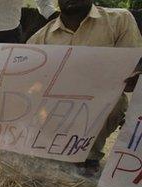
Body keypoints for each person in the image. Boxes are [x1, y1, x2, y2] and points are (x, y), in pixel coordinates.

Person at [27, 0, 142, 176]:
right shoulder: (42, 37)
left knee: (115, 103)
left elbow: (133, 64)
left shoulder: (119, 20)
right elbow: (19, 75)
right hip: (56, 108)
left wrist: (134, 75)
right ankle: (53, 148)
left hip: (98, 101)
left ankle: (89, 155)